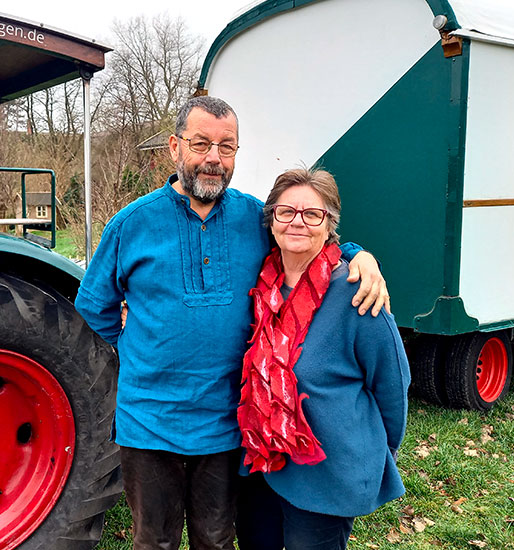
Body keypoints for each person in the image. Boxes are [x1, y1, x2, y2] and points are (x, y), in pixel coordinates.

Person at [74, 96, 390, 550]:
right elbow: (94, 311)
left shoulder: (254, 217)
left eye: (227, 147)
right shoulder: (131, 224)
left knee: (217, 538)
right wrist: (143, 361)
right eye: (201, 144)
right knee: (153, 541)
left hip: (227, 422)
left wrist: (362, 255)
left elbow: (306, 236)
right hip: (148, 421)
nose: (213, 159)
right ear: (174, 147)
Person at [235, 168, 409, 549]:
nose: (298, 222)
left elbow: (392, 385)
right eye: (286, 212)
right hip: (262, 463)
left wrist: (376, 451)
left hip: (326, 476)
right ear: (272, 219)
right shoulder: (264, 286)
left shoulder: (357, 294)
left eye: (312, 214)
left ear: (329, 224)